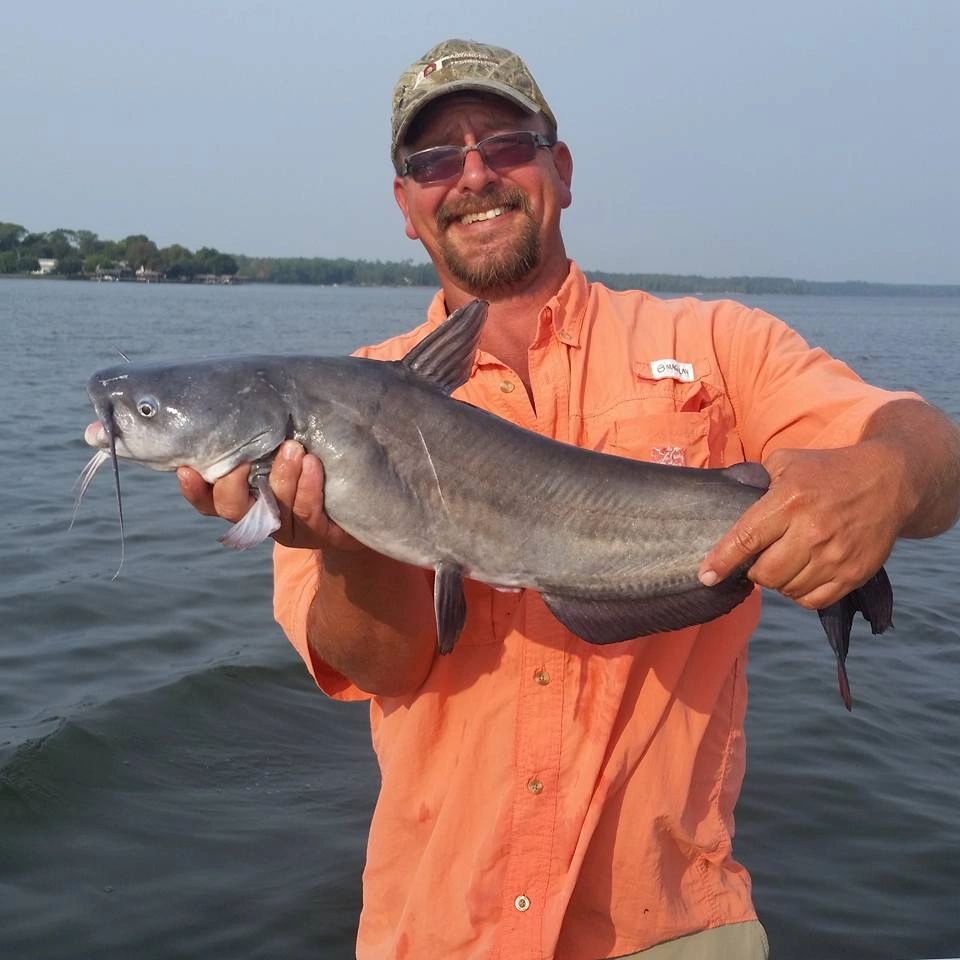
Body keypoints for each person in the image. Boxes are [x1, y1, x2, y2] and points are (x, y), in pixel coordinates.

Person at [177, 39, 960, 960]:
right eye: (433, 160)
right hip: (439, 928)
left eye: (506, 143)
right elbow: (381, 669)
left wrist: (886, 476)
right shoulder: (339, 407)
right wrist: (348, 544)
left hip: (670, 925)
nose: (472, 174)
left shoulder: (717, 344)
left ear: (562, 170)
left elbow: (932, 454)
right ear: (405, 206)